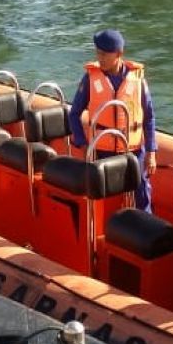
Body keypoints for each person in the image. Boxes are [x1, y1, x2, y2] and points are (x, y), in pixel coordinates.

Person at [67, 29, 157, 212]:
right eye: (98, 52)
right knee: (104, 199)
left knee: (142, 192)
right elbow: (74, 114)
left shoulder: (137, 79)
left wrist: (151, 152)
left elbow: (149, 116)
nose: (100, 58)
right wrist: (83, 145)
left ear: (119, 54)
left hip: (133, 150)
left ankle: (145, 226)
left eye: (104, 54)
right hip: (102, 149)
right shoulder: (90, 79)